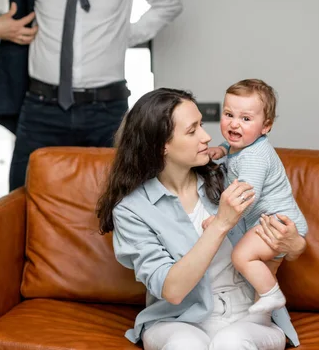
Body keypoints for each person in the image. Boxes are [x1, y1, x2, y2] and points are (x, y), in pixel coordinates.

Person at [0, 0, 183, 190]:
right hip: (42, 110)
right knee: (22, 199)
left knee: (117, 201)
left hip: (106, 111)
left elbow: (168, 2)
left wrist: (125, 35)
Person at [97, 88, 307, 349]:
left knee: (230, 343)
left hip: (250, 316)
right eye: (192, 130)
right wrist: (220, 224)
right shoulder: (132, 209)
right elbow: (172, 291)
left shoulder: (227, 177)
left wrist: (295, 245)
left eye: (202, 125)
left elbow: (286, 244)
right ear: (162, 144)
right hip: (176, 320)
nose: (207, 137)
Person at [206, 79, 308, 315]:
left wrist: (221, 219)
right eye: (229, 114)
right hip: (273, 221)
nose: (234, 124)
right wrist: (222, 149)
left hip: (276, 222)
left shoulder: (254, 157)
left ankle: (273, 297)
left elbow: (246, 194)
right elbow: (233, 146)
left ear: (266, 126)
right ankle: (261, 316)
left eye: (245, 119)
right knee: (262, 274)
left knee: (242, 257)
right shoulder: (245, 145)